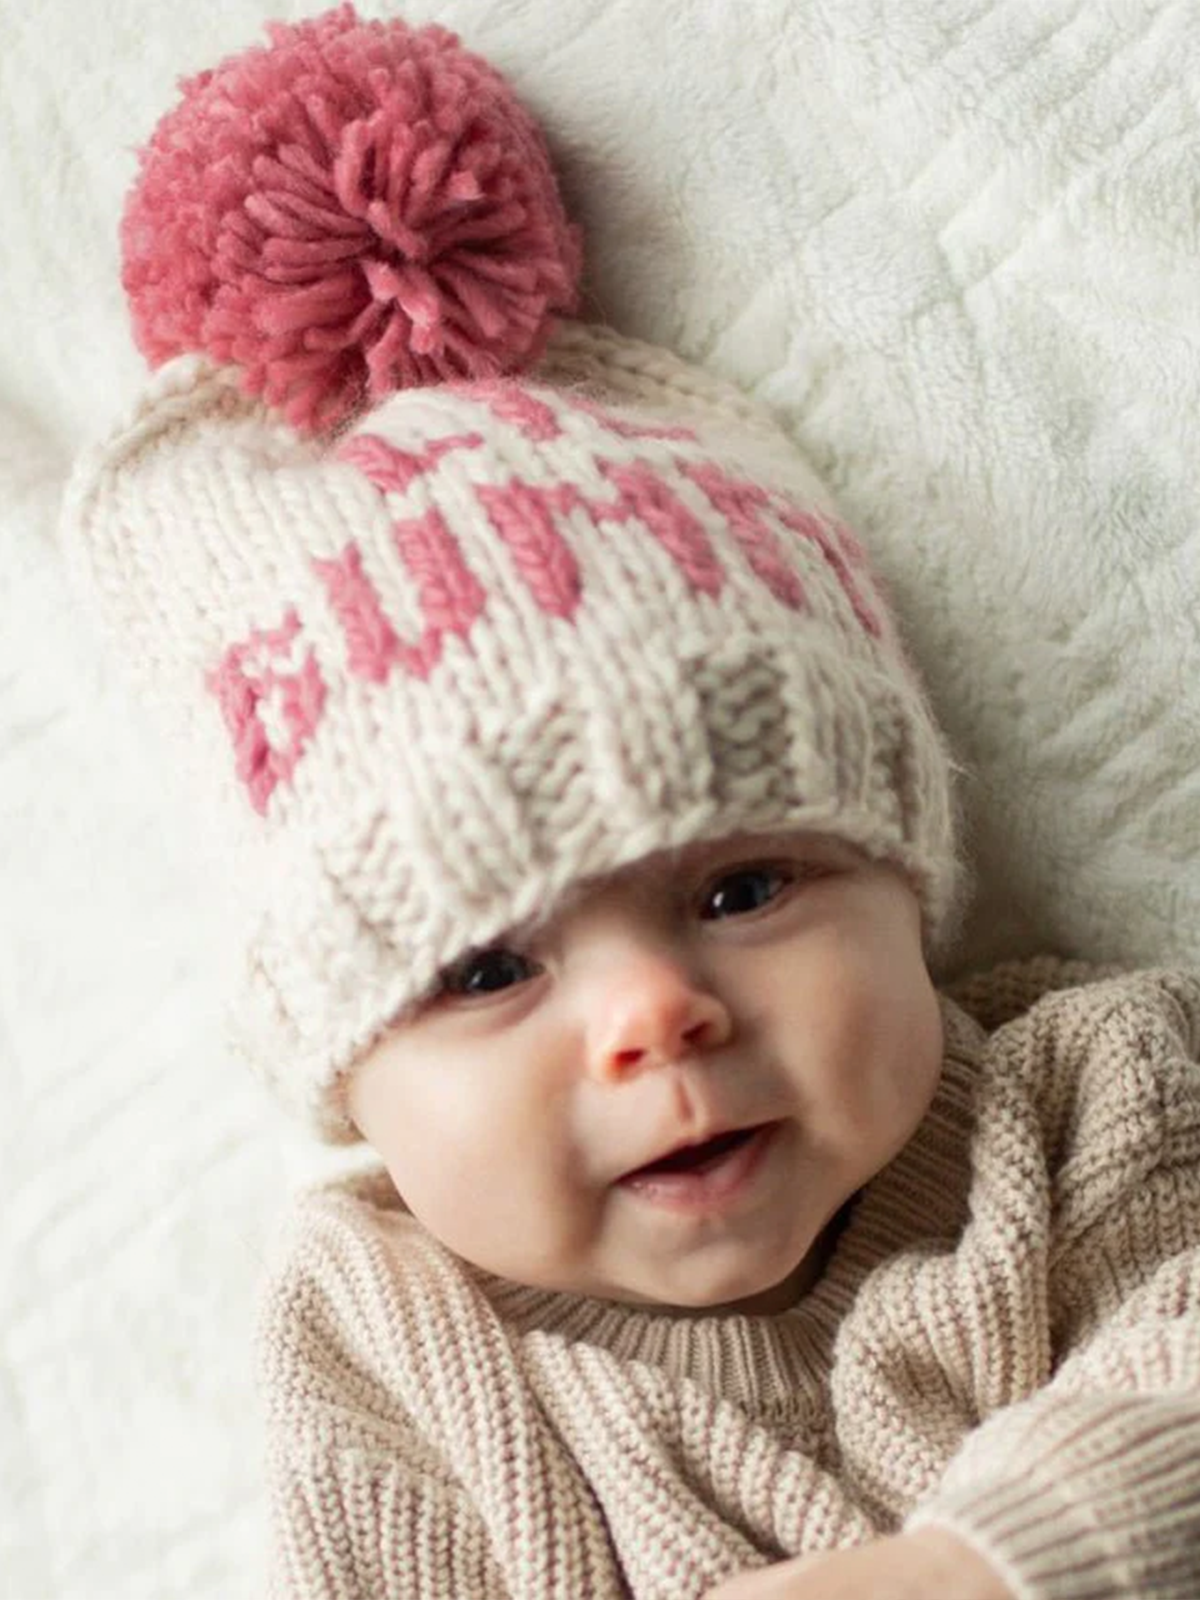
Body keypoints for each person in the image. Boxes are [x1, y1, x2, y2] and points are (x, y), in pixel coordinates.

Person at [64, 7, 1200, 1597]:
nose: (654, 1016)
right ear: (346, 1083)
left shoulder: (1099, 1097)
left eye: (743, 890)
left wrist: (982, 1565)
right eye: (483, 970)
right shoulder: (387, 1342)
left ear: (905, 880)